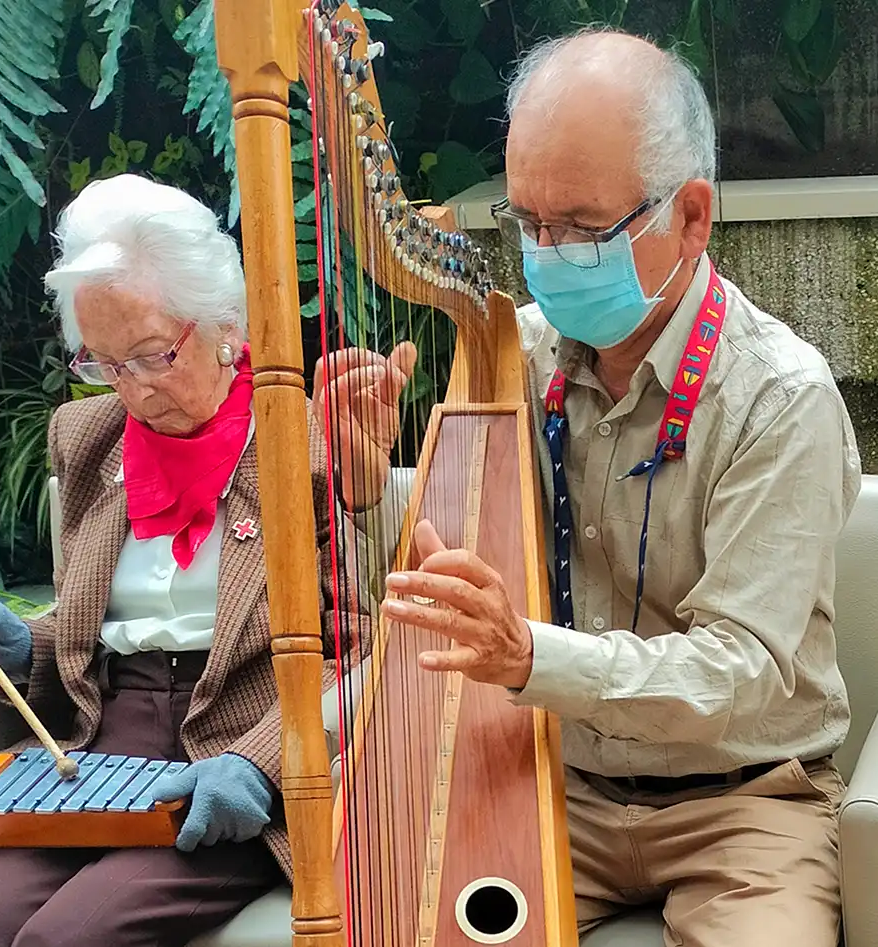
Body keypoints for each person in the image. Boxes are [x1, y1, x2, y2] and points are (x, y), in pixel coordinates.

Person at [318, 28, 862, 947]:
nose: (544, 253)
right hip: (547, 777)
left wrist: (530, 658)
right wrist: (373, 488)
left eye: (579, 227)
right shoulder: (515, 354)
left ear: (689, 217)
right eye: (525, 222)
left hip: (742, 803)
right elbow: (460, 578)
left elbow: (743, 671)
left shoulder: (778, 396)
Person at [0, 174, 367, 947]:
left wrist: (262, 762)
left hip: (229, 752)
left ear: (226, 327)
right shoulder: (87, 436)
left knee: (66, 939)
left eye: (150, 355)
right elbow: (85, 630)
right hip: (99, 749)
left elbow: (358, 647)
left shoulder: (304, 441)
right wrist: (14, 640)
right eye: (101, 362)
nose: (129, 389)